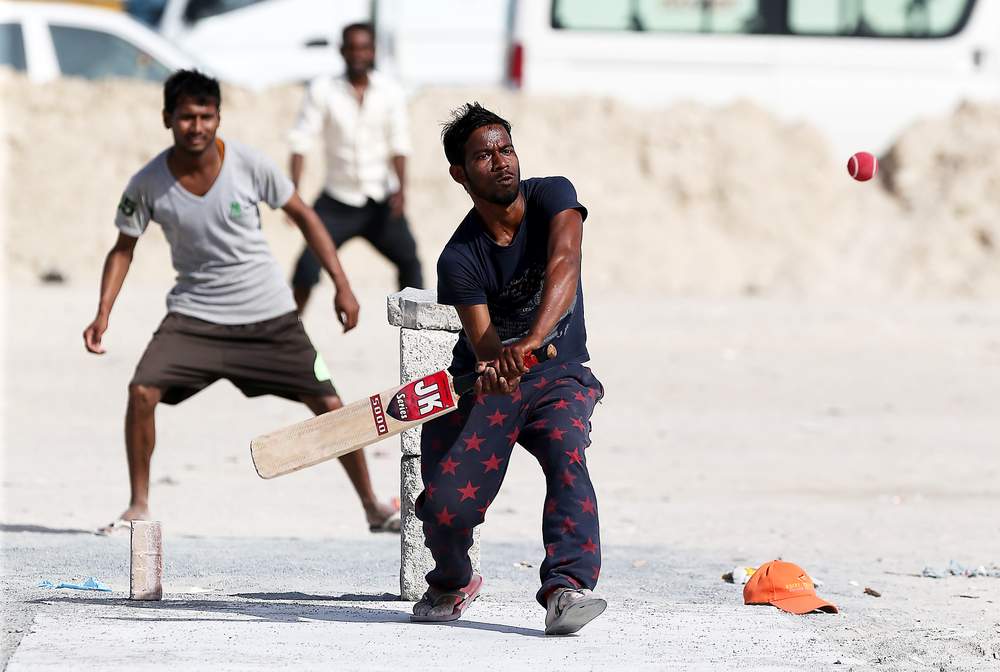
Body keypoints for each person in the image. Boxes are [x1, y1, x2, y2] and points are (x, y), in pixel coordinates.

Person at [83, 69, 400, 536]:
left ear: (218, 117)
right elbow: (123, 248)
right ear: (167, 118)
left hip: (269, 317)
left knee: (331, 404)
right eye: (186, 117)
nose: (197, 127)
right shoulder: (147, 183)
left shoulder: (252, 165)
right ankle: (138, 504)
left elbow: (306, 217)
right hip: (195, 318)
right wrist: (103, 313)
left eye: (206, 116)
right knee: (141, 391)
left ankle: (373, 505)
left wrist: (342, 283)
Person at [409, 103, 606, 635]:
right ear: (460, 173)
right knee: (444, 510)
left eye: (505, 148)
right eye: (483, 155)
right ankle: (452, 578)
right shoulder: (459, 258)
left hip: (558, 374)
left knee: (568, 452)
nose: (500, 162)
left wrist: (536, 340)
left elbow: (566, 262)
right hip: (485, 381)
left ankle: (567, 587)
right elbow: (485, 344)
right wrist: (499, 364)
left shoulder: (553, 196)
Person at [287, 21, 423, 313]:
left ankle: (420, 337)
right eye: (352, 48)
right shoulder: (323, 90)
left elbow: (399, 144)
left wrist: (401, 188)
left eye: (364, 48)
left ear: (373, 51)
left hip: (380, 200)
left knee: (410, 262)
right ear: (342, 51)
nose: (358, 54)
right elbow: (301, 141)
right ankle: (289, 332)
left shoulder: (390, 91)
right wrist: (294, 192)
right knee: (306, 268)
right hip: (337, 199)